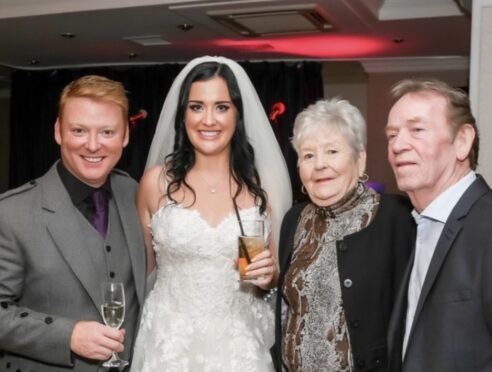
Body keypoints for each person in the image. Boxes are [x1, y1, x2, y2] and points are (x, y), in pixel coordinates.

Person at [130, 56, 292, 372]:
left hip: (238, 349)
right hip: (168, 348)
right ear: (183, 115)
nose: (208, 120)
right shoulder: (156, 183)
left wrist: (268, 275)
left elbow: (268, 277)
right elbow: (138, 273)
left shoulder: (259, 189)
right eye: (196, 107)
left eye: (221, 107)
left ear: (237, 114)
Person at [0, 75, 146, 371]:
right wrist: (67, 335)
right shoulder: (11, 213)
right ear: (58, 131)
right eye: (79, 130)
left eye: (107, 132)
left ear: (125, 137)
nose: (93, 145)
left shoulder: (135, 193)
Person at [271, 98, 415, 371]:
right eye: (308, 155)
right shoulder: (294, 219)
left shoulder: (397, 218)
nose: (320, 164)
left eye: (332, 151)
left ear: (359, 159)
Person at [385, 79, 492, 371]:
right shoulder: (416, 225)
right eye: (392, 135)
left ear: (462, 141)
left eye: (417, 130)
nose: (398, 145)